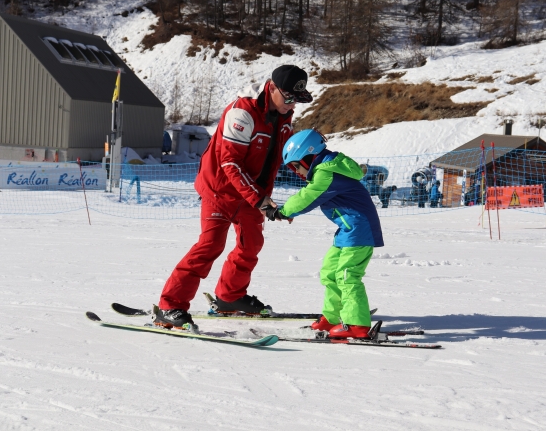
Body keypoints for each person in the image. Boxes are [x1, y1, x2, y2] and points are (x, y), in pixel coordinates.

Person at [155, 65, 313, 329]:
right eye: (288, 97)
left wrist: (317, 171)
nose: (292, 104)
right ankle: (169, 306)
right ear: (271, 87)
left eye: (297, 99)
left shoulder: (284, 117)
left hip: (251, 193)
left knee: (251, 244)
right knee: (210, 245)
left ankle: (230, 297)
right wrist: (261, 201)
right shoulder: (243, 112)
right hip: (220, 189)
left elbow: (283, 159)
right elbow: (230, 164)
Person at [265, 129, 384, 339]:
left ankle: (357, 324)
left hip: (359, 231)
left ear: (308, 156)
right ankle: (333, 317)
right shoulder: (327, 169)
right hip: (347, 231)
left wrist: (281, 211)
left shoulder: (326, 172)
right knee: (329, 271)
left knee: (348, 276)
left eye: (295, 166)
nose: (296, 172)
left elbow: (307, 197)